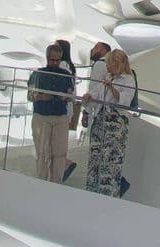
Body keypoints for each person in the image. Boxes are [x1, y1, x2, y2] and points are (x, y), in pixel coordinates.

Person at [86, 48, 137, 198]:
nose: (107, 66)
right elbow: (97, 93)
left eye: (109, 63)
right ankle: (91, 193)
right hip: (100, 121)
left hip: (115, 125)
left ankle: (108, 196)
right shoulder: (108, 77)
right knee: (95, 158)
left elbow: (124, 101)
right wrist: (89, 97)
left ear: (117, 63)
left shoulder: (128, 80)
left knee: (110, 161)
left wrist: (112, 88)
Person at [62, 40, 111, 183]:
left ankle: (96, 180)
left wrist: (86, 110)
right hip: (108, 110)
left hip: (99, 111)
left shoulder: (100, 64)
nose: (92, 50)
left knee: (97, 147)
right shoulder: (110, 65)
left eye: (96, 47)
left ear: (103, 50)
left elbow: (93, 88)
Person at [26, 44, 74, 181]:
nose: (55, 63)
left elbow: (71, 95)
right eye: (52, 60)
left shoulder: (66, 74)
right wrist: (42, 97)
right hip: (42, 116)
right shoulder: (38, 74)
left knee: (59, 152)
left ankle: (56, 181)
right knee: (42, 151)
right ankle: (41, 179)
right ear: (47, 58)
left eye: (57, 60)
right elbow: (30, 96)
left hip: (60, 116)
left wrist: (66, 97)